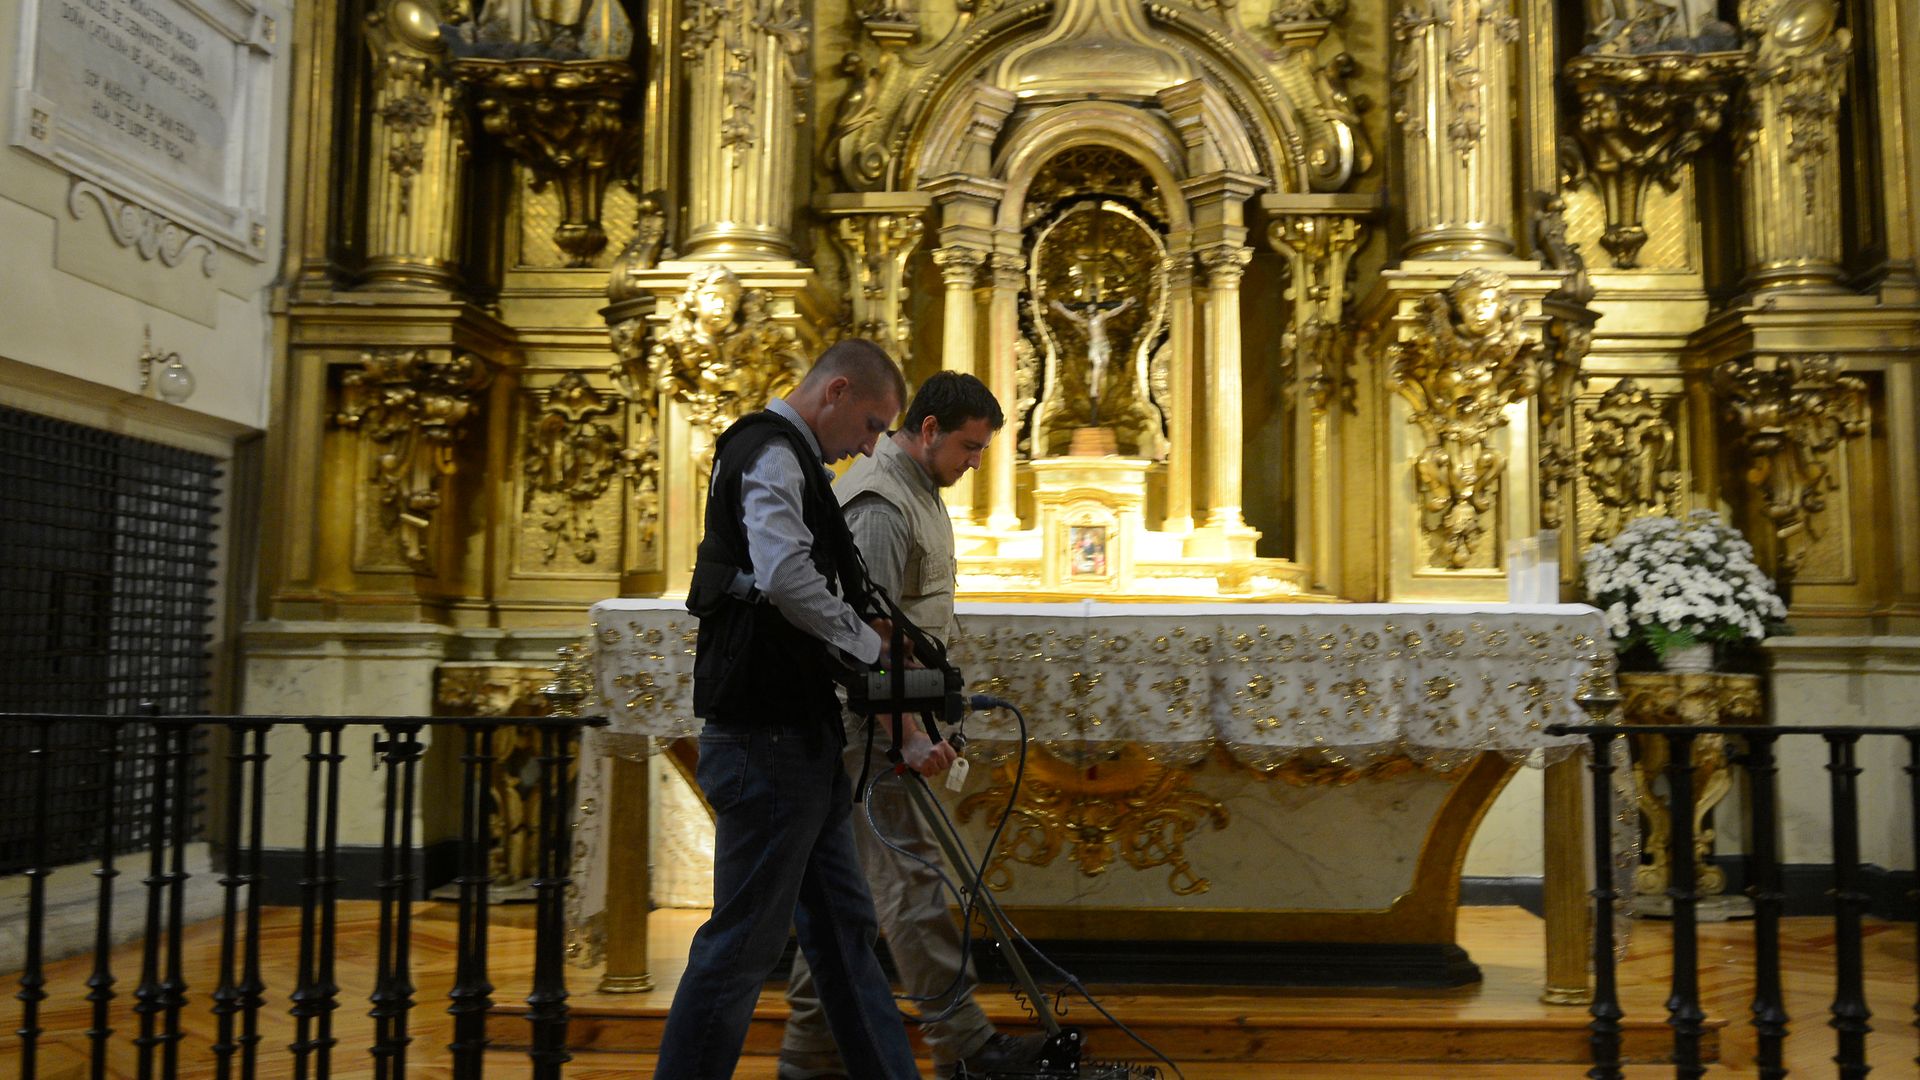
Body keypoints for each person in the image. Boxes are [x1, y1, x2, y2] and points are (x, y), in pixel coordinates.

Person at [655, 338, 917, 1080]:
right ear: (835, 392)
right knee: (742, 945)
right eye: (870, 425)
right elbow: (782, 574)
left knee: (842, 929)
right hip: (767, 738)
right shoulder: (772, 451)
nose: (869, 447)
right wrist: (865, 645)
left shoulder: (792, 458)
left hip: (796, 735)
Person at [779, 372, 1048, 1080]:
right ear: (928, 429)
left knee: (848, 902)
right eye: (969, 446)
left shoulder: (919, 489)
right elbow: (866, 634)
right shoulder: (882, 503)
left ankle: (810, 1055)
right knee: (916, 882)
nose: (975, 462)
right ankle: (965, 1043)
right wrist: (905, 732)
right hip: (867, 729)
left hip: (884, 722)